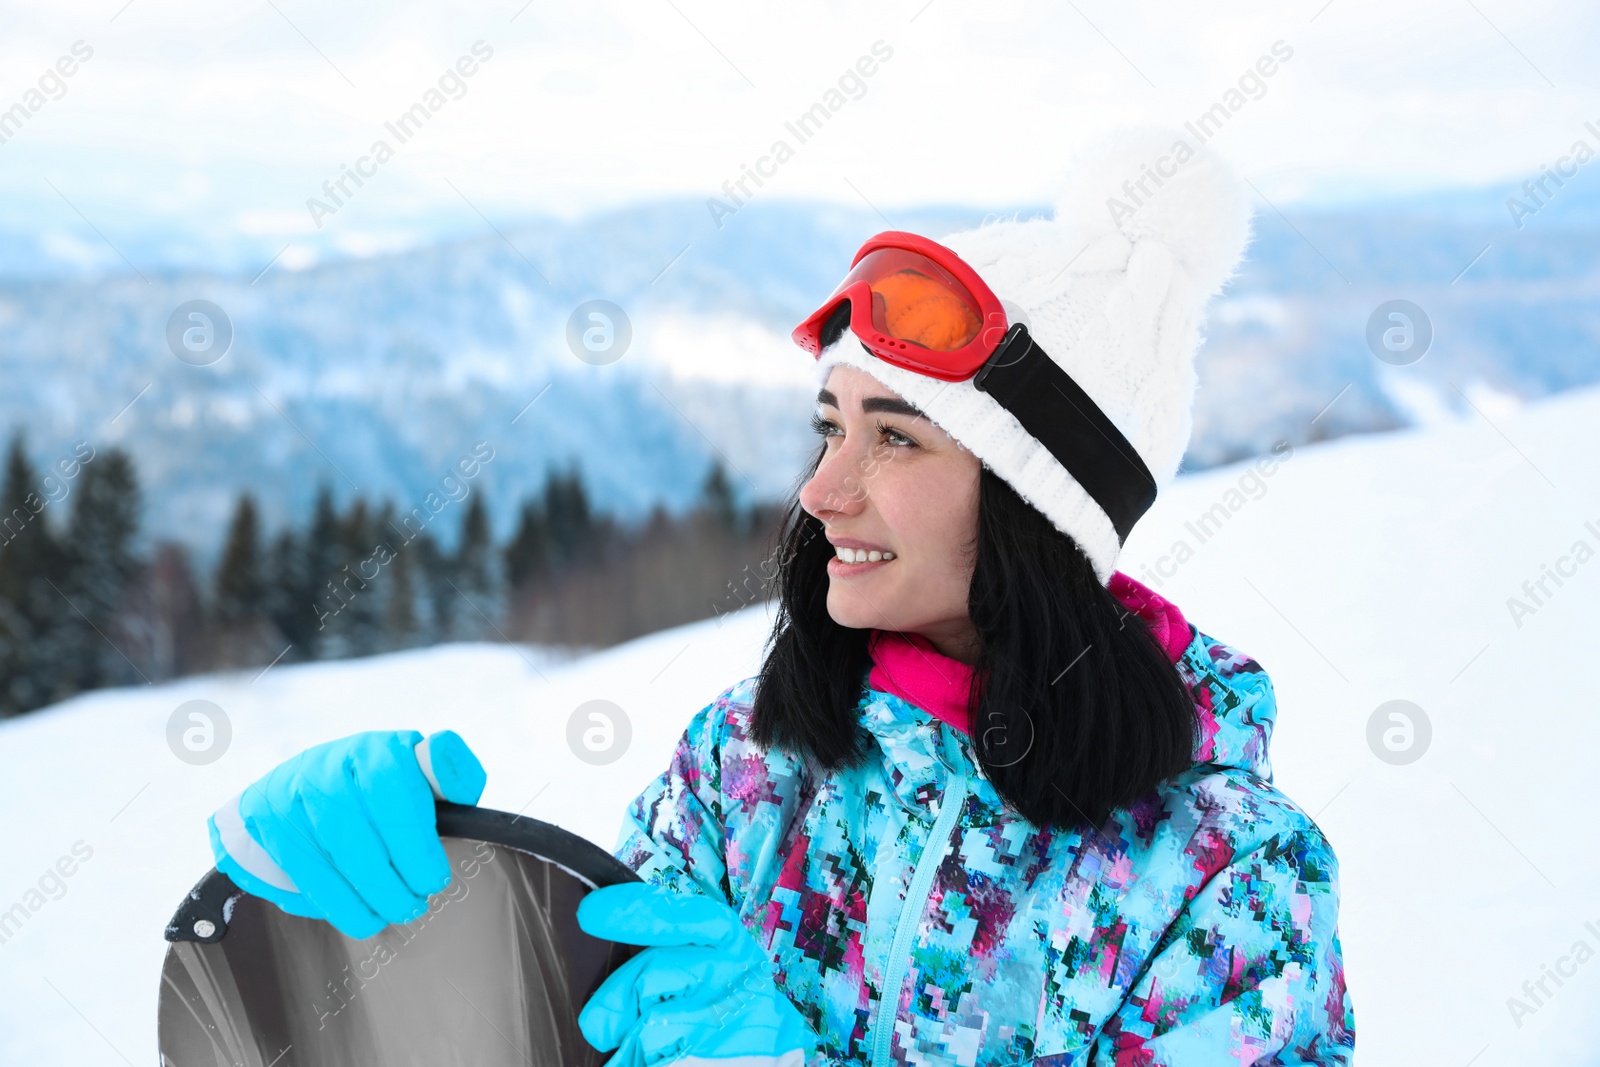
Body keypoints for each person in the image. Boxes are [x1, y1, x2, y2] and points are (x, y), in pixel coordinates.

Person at [207, 128, 1355, 1065]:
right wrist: (402, 915)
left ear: (1036, 510)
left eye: (896, 439)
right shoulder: (743, 773)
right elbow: (561, 1036)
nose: (821, 489)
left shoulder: (1225, 880)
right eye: (829, 425)